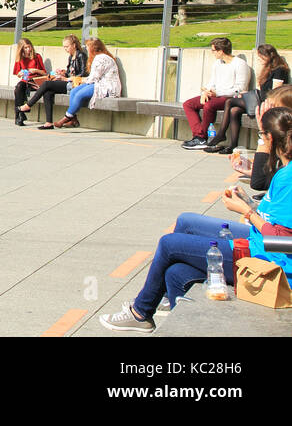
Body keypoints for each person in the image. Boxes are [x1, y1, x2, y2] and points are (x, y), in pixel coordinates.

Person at [99, 105, 292, 332]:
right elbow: (276, 219)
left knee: (169, 245)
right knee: (179, 260)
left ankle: (140, 313)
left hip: (272, 263)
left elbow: (282, 240)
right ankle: (173, 311)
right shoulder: (283, 172)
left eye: (261, 136)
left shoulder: (288, 178)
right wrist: (248, 203)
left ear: (269, 137)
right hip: (260, 244)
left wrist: (246, 212)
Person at [205, 43, 289, 154]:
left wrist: (251, 94)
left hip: (269, 102)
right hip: (260, 99)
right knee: (234, 110)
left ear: (269, 56)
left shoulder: (280, 70)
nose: (259, 60)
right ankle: (232, 145)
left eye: (261, 57)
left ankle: (221, 133)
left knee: (230, 101)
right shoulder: (266, 69)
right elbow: (259, 89)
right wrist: (247, 94)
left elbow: (275, 92)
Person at [181, 37, 252, 150]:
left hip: (230, 97)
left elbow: (240, 88)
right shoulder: (217, 64)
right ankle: (199, 136)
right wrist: (205, 92)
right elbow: (212, 82)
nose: (212, 53)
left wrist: (217, 93)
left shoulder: (240, 64)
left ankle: (201, 137)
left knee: (209, 106)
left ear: (221, 51)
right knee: (188, 104)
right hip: (215, 95)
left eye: (213, 50)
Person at [53, 38, 120, 128]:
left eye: (88, 47)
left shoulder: (101, 58)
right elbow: (93, 78)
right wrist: (78, 80)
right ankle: (73, 119)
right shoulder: (99, 57)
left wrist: (78, 80)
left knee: (79, 94)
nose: (86, 49)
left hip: (107, 86)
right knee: (74, 91)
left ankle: (65, 118)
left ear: (92, 48)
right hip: (98, 83)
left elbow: (93, 77)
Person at [24, 35, 87, 129]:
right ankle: (49, 122)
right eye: (64, 47)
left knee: (46, 84)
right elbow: (69, 72)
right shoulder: (71, 57)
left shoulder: (81, 55)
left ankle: (29, 105)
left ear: (74, 45)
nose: (65, 49)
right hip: (69, 82)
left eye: (67, 46)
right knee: (48, 91)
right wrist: (63, 73)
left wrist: (67, 78)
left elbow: (83, 74)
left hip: (76, 84)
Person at [11, 38, 48, 126]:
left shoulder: (37, 56)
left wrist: (35, 70)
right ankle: (20, 114)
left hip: (35, 80)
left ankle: (19, 115)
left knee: (20, 88)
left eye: (29, 47)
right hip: (25, 80)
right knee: (18, 88)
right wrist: (20, 73)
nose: (28, 50)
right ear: (21, 49)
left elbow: (44, 73)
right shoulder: (19, 59)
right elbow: (17, 73)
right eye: (25, 48)